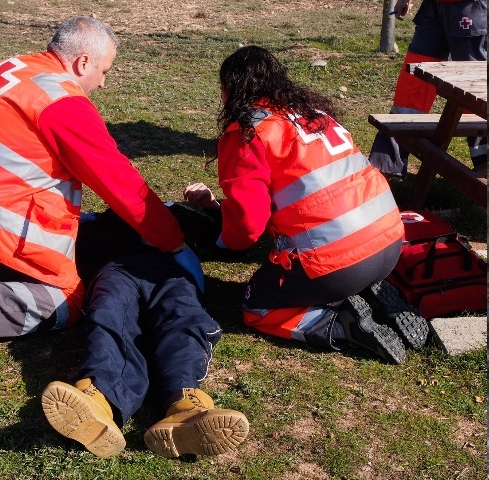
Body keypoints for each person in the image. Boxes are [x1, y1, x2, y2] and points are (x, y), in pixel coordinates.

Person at [0, 16, 204, 368]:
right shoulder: (62, 100)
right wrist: (173, 242)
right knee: (69, 299)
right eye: (104, 71)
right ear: (83, 62)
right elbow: (119, 181)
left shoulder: (10, 68)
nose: (103, 83)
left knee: (58, 246)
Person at [183, 46, 429, 364]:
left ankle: (340, 323)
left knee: (257, 307)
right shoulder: (313, 113)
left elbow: (247, 226)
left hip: (338, 263)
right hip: (390, 242)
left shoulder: (247, 134)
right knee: (339, 264)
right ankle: (365, 290)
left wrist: (221, 240)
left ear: (230, 89)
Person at [41, 208, 249, 458]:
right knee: (109, 312)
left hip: (171, 270)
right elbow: (56, 229)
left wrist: (212, 206)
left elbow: (233, 239)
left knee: (183, 317)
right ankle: (99, 398)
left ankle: (184, 403)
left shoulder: (181, 212)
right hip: (115, 270)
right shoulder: (98, 220)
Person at [369, 0, 487, 176]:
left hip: (467, 7)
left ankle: (484, 161)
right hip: (434, 8)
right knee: (413, 84)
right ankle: (387, 165)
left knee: (474, 86)